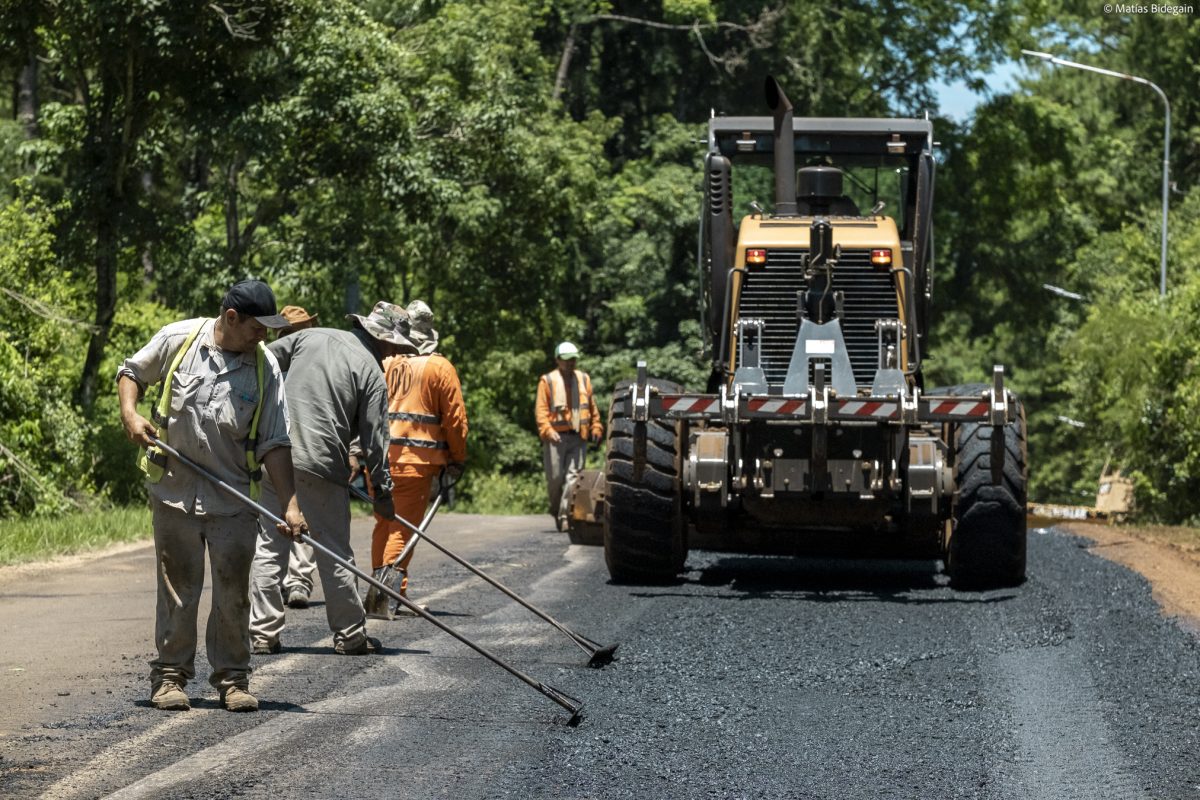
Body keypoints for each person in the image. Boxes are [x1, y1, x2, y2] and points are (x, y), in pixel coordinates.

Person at [116, 279, 307, 713]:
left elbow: (276, 441)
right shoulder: (178, 340)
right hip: (175, 492)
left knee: (232, 592)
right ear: (232, 318)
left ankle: (233, 680)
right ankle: (169, 678)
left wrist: (292, 505)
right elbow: (131, 373)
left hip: (233, 498)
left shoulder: (265, 368)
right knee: (178, 587)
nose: (264, 337)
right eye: (258, 328)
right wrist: (130, 413)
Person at [248, 301, 407, 655]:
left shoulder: (309, 338)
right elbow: (376, 441)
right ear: (384, 340)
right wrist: (382, 491)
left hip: (275, 454)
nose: (397, 351)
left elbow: (261, 358)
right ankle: (351, 635)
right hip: (319, 465)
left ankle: (262, 633)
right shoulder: (371, 372)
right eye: (396, 345)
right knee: (333, 550)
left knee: (271, 547)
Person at [367, 299, 468, 616]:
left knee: (384, 524)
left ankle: (380, 593)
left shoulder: (386, 363)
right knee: (401, 529)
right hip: (415, 463)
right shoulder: (439, 367)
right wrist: (457, 458)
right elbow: (455, 422)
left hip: (379, 460)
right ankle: (388, 596)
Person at [274, 306, 320, 609]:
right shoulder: (272, 366)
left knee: (293, 516)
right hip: (285, 450)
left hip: (294, 450)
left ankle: (296, 581)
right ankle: (291, 580)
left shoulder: (308, 365)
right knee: (289, 517)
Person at [535, 341, 603, 531]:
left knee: (573, 477)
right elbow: (540, 412)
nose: (570, 363)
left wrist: (596, 427)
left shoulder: (583, 379)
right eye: (565, 360)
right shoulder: (547, 381)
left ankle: (565, 516)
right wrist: (549, 431)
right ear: (557, 360)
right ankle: (556, 509)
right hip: (555, 439)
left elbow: (592, 408)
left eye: (572, 359)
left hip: (578, 437)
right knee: (555, 479)